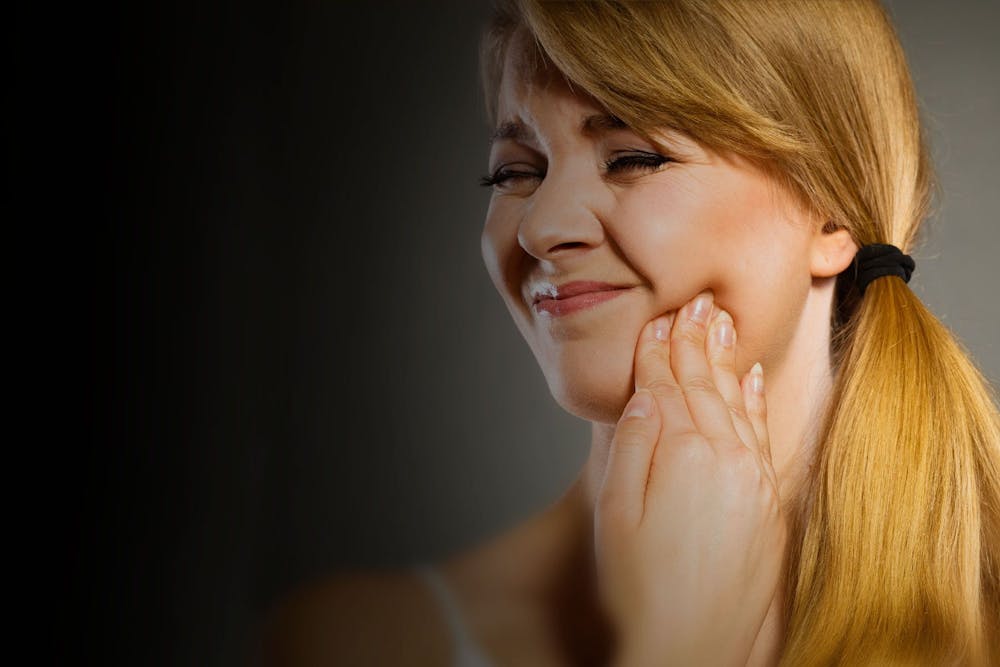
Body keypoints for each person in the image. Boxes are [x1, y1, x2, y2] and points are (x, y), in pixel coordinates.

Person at [260, 1, 1000, 665]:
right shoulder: (364, 643)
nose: (543, 228)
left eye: (633, 158)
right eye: (515, 172)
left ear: (831, 215)